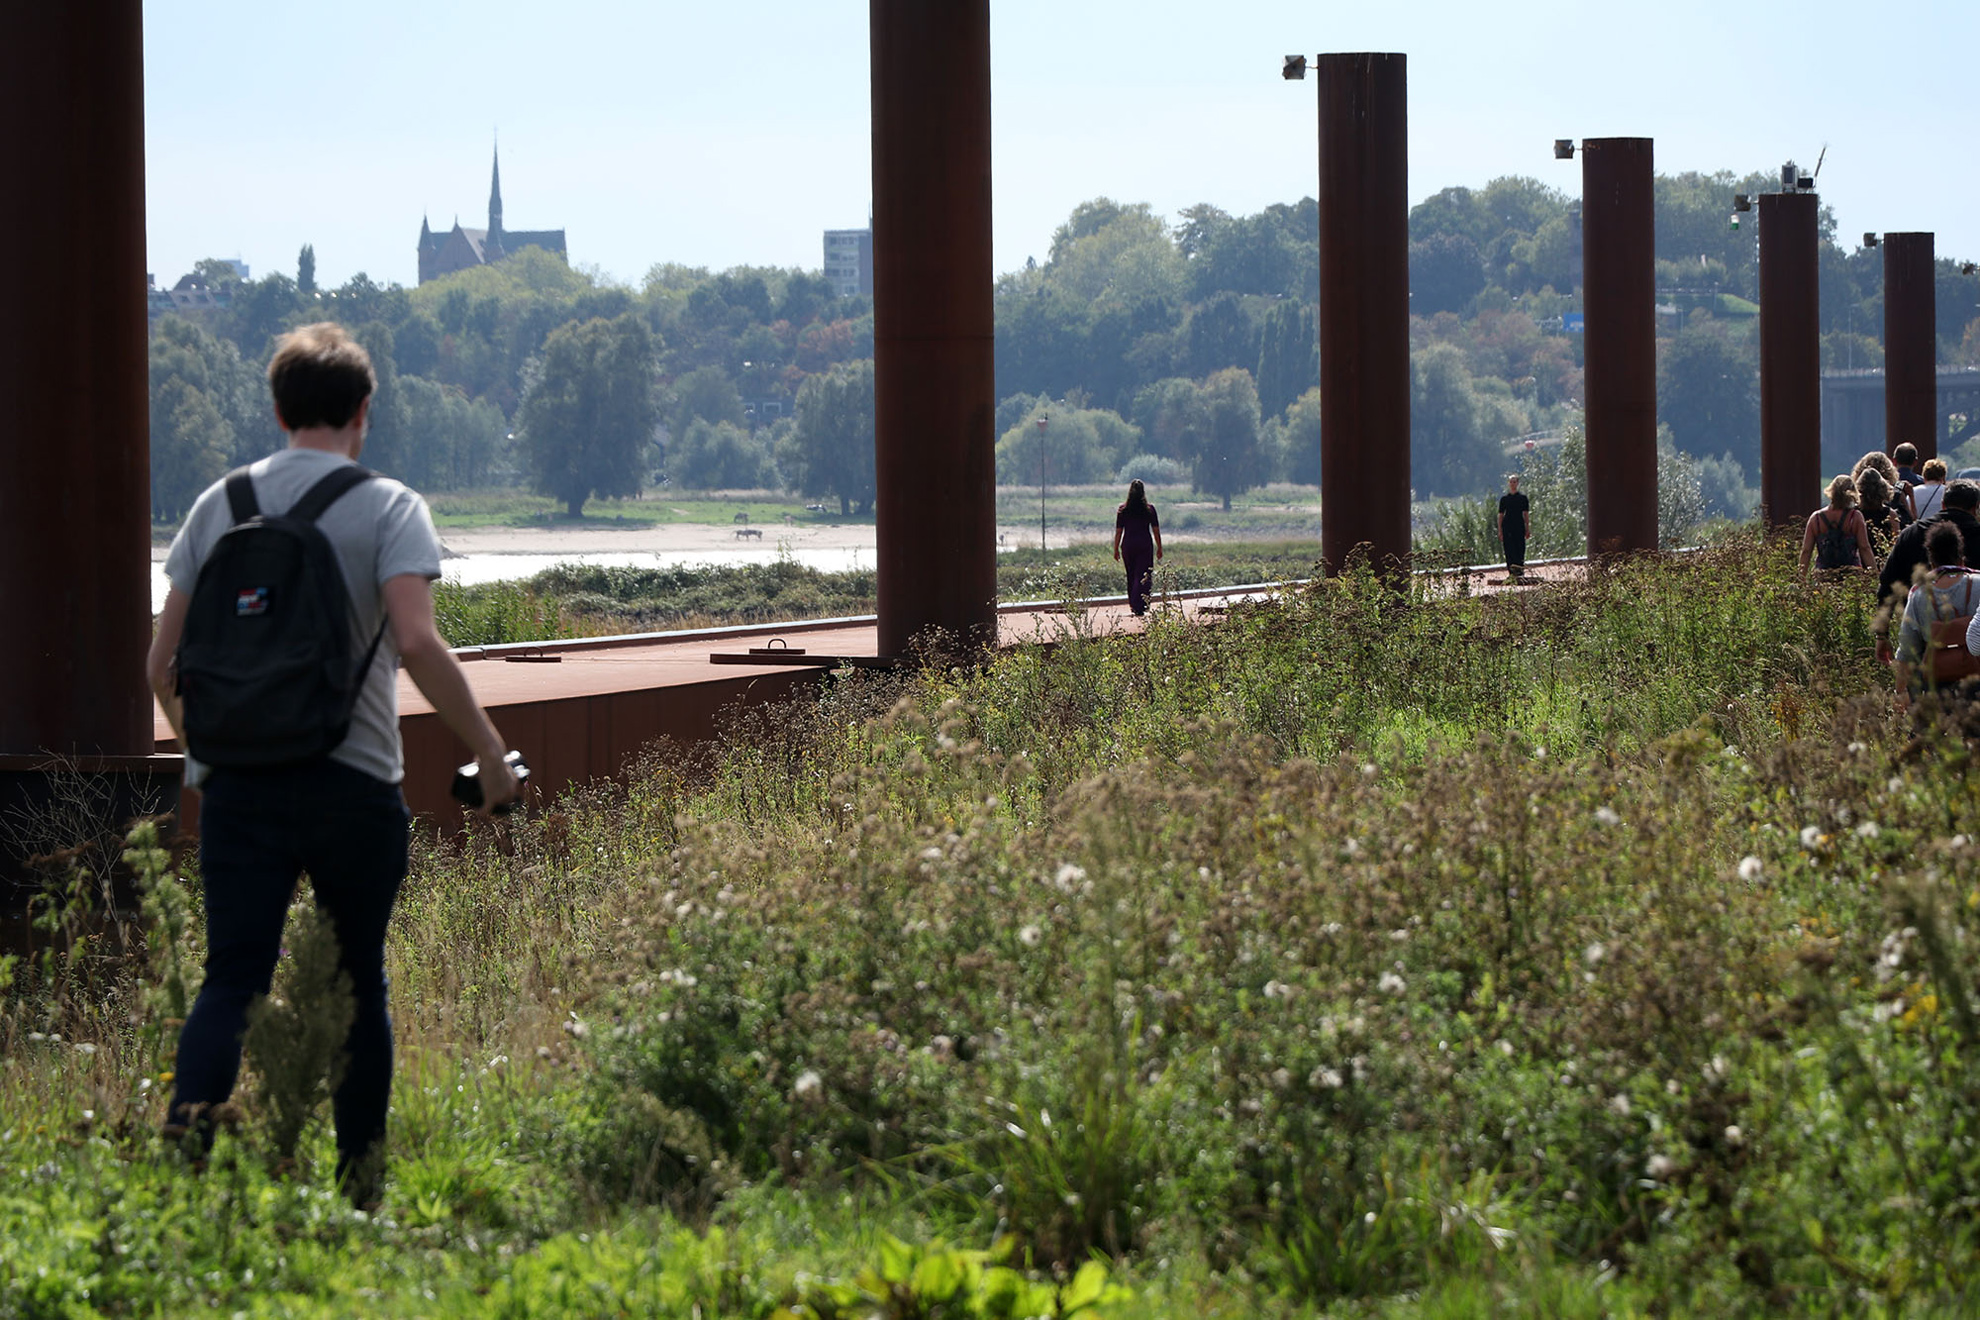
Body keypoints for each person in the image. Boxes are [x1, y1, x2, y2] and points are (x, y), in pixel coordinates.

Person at [146, 323, 520, 1204]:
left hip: (239, 789)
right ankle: (360, 1193)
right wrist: (490, 755)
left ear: (277, 410)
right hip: (352, 785)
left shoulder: (219, 506)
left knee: (232, 977)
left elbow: (161, 668)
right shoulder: (389, 506)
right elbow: (420, 645)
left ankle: (180, 1183)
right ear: (363, 413)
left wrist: (215, 758)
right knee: (358, 981)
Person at [1874, 480, 1980, 666]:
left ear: (1943, 504)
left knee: (1921, 688)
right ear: (1976, 508)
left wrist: (1882, 635)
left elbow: (1887, 586)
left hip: (1922, 640)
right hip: (1975, 647)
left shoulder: (1912, 534)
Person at [1897, 521, 1980, 701]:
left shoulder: (1919, 593)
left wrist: (1901, 691)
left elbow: (1907, 648)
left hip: (1936, 686)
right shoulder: (1978, 583)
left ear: (1931, 560)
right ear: (1960, 556)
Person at [1798, 475, 1874, 579]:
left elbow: (1806, 551)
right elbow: (1864, 548)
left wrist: (1801, 578)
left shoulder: (1816, 518)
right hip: (1851, 576)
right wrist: (1875, 575)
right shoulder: (1855, 517)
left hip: (1823, 575)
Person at [1112, 478, 1163, 616]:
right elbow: (1156, 530)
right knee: (1144, 575)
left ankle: (1134, 605)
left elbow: (1119, 531)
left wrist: (1116, 548)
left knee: (1132, 574)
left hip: (1128, 545)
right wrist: (1159, 547)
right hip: (1144, 544)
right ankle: (1140, 604)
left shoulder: (1123, 510)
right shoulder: (1149, 509)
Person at [1857, 468, 1905, 562]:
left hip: (1859, 562)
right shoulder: (1890, 514)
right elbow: (1896, 543)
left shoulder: (1855, 514)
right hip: (1884, 560)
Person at [1497, 474, 1531, 578]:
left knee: (1520, 548)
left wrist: (1527, 528)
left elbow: (1525, 514)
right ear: (1508, 483)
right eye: (1511, 482)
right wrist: (1500, 530)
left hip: (1519, 525)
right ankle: (1511, 573)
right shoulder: (1504, 499)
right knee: (1509, 549)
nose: (1513, 484)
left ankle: (1520, 571)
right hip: (1507, 526)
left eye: (1515, 481)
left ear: (1518, 483)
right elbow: (1500, 515)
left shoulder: (1523, 498)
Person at [1911, 458, 1950, 523]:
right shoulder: (1948, 492)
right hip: (1942, 530)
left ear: (1924, 476)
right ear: (1943, 477)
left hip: (1919, 530)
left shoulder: (1913, 492)